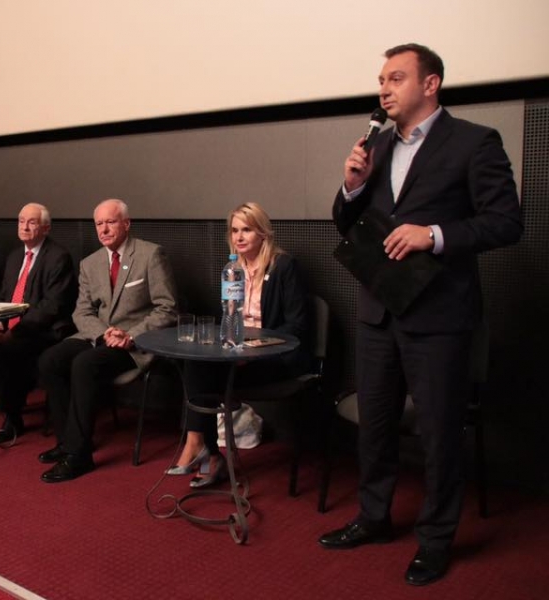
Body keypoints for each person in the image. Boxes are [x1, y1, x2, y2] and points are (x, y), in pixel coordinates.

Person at [319, 44, 523, 586]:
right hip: (378, 311)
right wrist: (352, 187)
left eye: (396, 78)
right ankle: (373, 518)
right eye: (381, 80)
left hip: (439, 317)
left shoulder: (475, 141)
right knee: (375, 426)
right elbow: (348, 223)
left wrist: (433, 235)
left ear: (430, 84)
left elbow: (507, 222)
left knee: (438, 434)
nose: (383, 89)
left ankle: (435, 541)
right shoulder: (377, 145)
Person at [170, 202, 310, 488]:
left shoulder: (283, 266)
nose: (239, 236)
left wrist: (254, 347)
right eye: (234, 230)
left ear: (263, 233)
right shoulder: (233, 268)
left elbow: (296, 327)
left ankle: (204, 452)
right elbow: (229, 316)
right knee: (196, 364)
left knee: (202, 379)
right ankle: (204, 450)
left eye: (247, 229)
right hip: (238, 354)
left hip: (276, 358)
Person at [37, 199, 177, 483]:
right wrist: (103, 333)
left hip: (134, 342)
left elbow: (168, 308)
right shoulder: (90, 263)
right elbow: (82, 312)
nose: (103, 229)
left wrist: (131, 335)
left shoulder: (150, 254)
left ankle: (79, 456)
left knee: (84, 364)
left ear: (126, 224)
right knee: (50, 360)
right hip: (98, 335)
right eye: (99, 224)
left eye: (110, 222)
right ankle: (68, 441)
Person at [0, 203, 77, 442]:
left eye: (32, 222)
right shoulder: (14, 257)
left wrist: (16, 330)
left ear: (46, 228)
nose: (24, 227)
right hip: (9, 326)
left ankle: (12, 417)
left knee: (10, 352)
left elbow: (52, 307)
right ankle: (6, 400)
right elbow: (4, 297)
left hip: (43, 331)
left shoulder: (58, 257)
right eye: (21, 221)